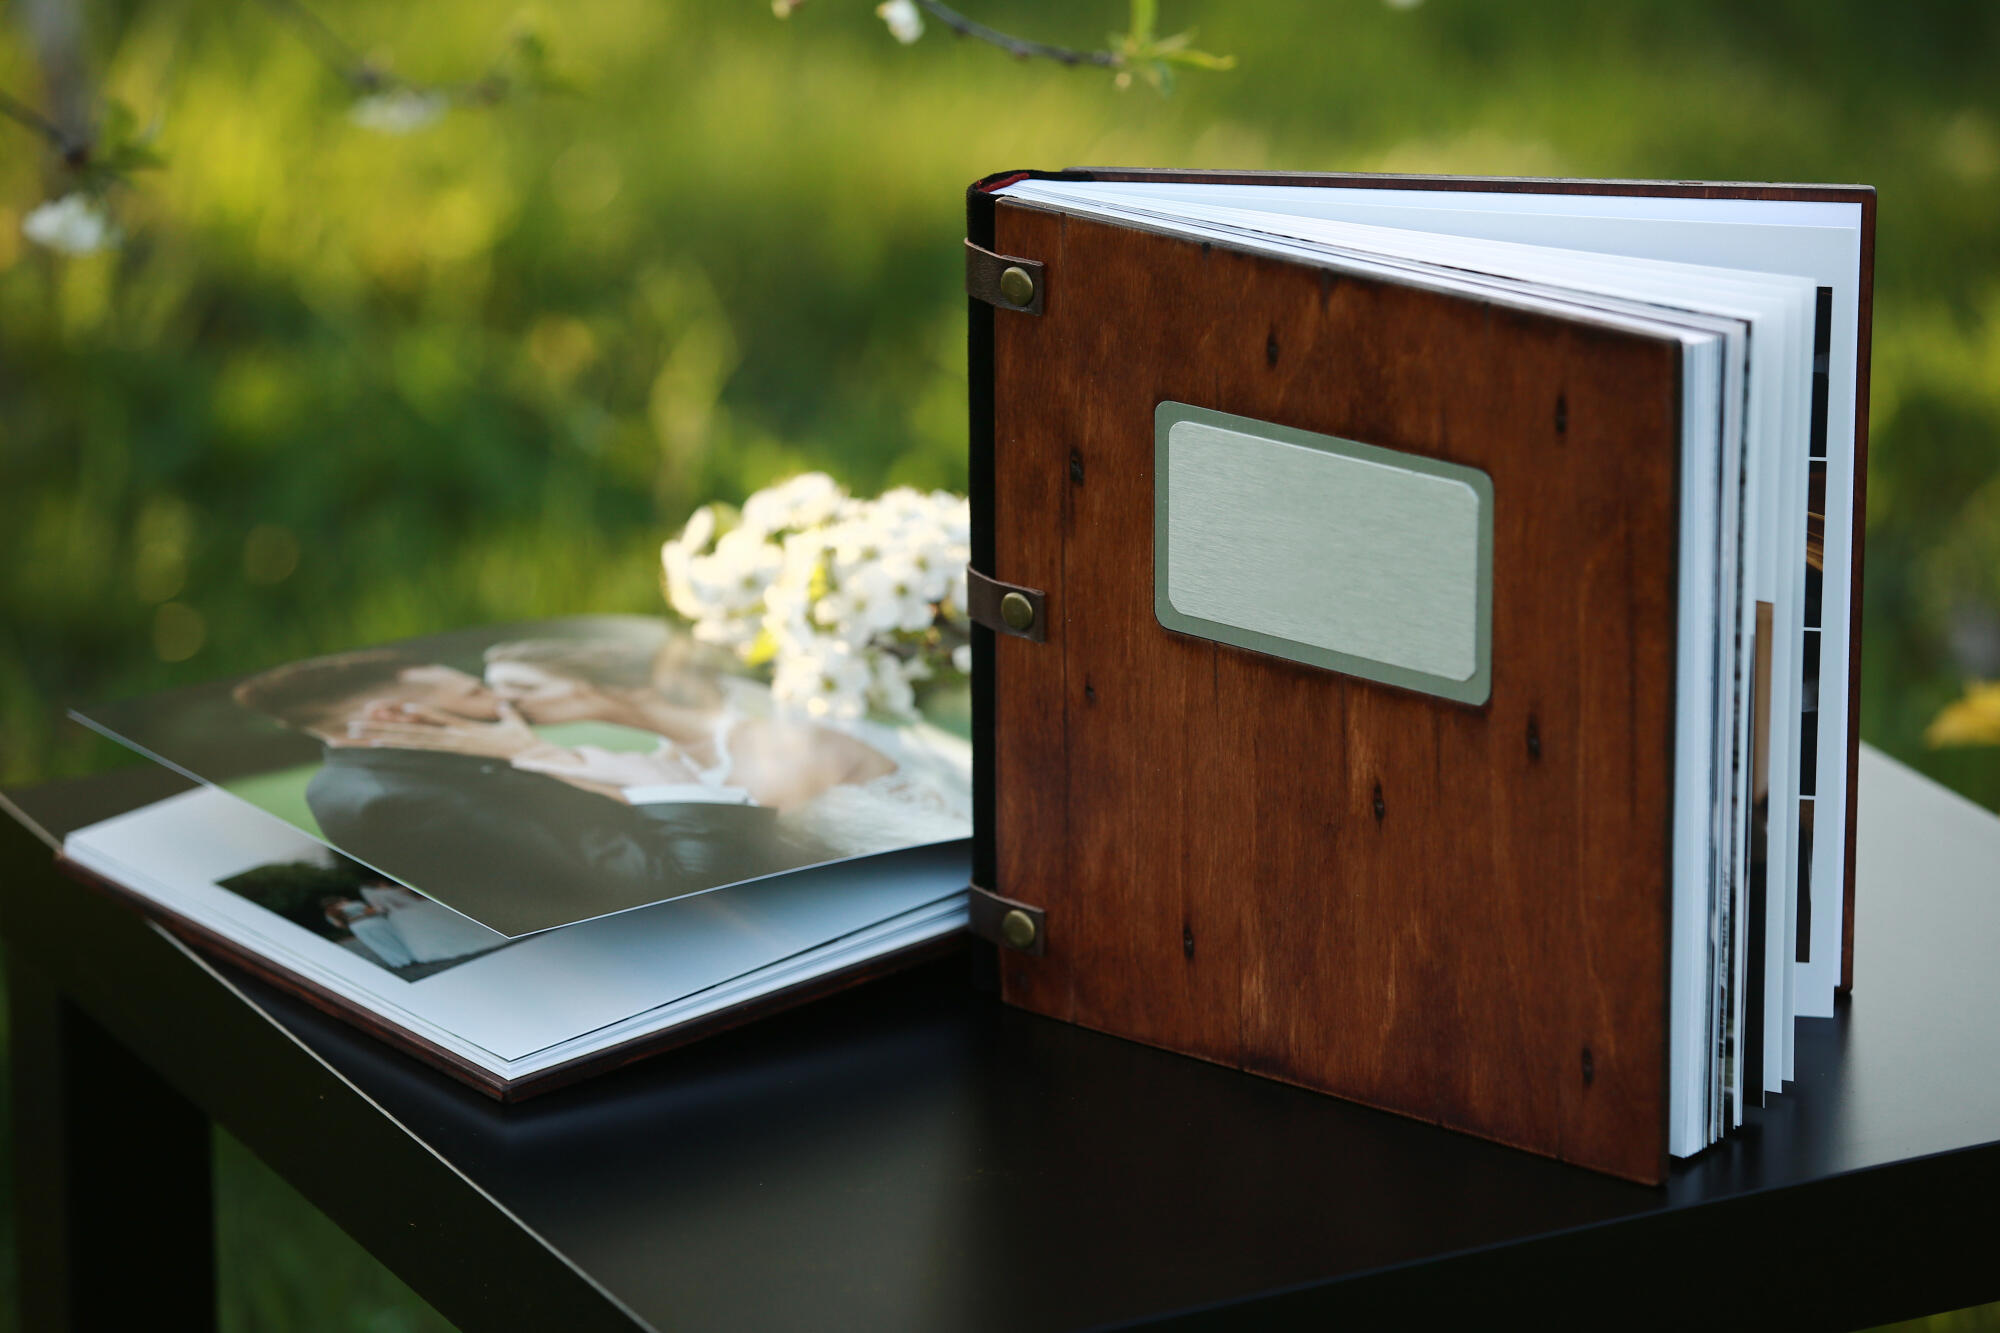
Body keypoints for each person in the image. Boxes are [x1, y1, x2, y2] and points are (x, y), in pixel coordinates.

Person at [232, 650, 835, 938]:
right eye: (476, 693)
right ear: (395, 712)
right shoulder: (407, 800)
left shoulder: (385, 777)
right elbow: (676, 881)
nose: (502, 704)